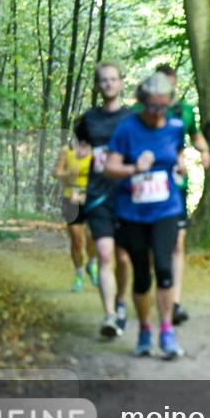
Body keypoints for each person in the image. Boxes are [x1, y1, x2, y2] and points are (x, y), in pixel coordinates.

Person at [104, 72, 187, 359]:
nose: (156, 114)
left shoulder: (176, 127)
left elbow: (178, 155)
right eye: (151, 107)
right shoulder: (127, 129)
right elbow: (109, 167)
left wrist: (180, 167)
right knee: (141, 275)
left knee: (164, 268)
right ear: (141, 103)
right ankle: (144, 330)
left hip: (166, 209)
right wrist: (133, 169)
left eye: (162, 107)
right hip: (133, 213)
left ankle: (167, 330)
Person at [76, 62, 133, 338]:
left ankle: (121, 301)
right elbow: (80, 151)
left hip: (127, 196)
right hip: (98, 196)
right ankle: (110, 315)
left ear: (121, 83)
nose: (109, 84)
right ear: (97, 86)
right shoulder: (88, 120)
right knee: (106, 255)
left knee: (124, 258)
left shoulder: (133, 119)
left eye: (113, 79)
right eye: (103, 80)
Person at [155, 63, 210, 325]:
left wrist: (204, 151)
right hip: (149, 188)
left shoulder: (185, 111)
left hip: (177, 187)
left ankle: (174, 302)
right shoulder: (140, 111)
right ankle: (156, 292)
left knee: (177, 243)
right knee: (152, 247)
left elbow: (196, 135)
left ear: (175, 83)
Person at [52, 133, 98, 292]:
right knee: (77, 239)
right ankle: (79, 277)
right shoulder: (67, 150)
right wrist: (68, 174)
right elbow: (56, 172)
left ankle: (92, 263)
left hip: (90, 198)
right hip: (70, 197)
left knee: (93, 236)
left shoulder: (95, 150)